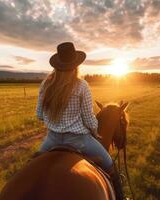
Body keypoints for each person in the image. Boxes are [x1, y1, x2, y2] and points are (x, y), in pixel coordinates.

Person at [36, 42, 124, 199]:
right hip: (80, 140)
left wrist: (56, 123)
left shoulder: (46, 84)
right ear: (76, 65)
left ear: (56, 65)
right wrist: (95, 132)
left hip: (51, 139)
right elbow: (89, 119)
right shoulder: (82, 85)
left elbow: (40, 115)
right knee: (110, 165)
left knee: (32, 164)